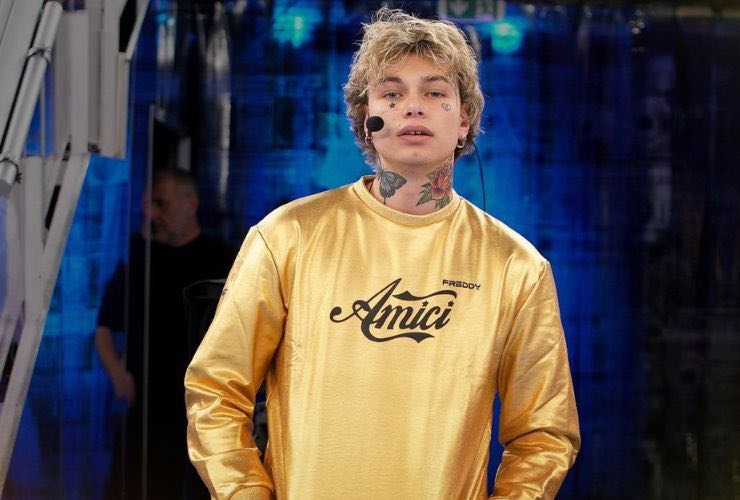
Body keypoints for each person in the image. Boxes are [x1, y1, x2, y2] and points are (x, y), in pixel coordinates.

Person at [185, 8, 580, 499]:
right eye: (392, 94)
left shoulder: (516, 267)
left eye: (434, 93)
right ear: (366, 120)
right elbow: (216, 390)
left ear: (464, 120)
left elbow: (544, 433)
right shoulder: (287, 237)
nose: (412, 107)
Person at [96, 168, 235, 499]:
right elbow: (104, 325)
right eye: (149, 205)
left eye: (162, 204)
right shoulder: (140, 257)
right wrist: (118, 376)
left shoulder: (222, 258)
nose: (154, 214)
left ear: (190, 204)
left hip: (202, 401)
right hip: (146, 403)